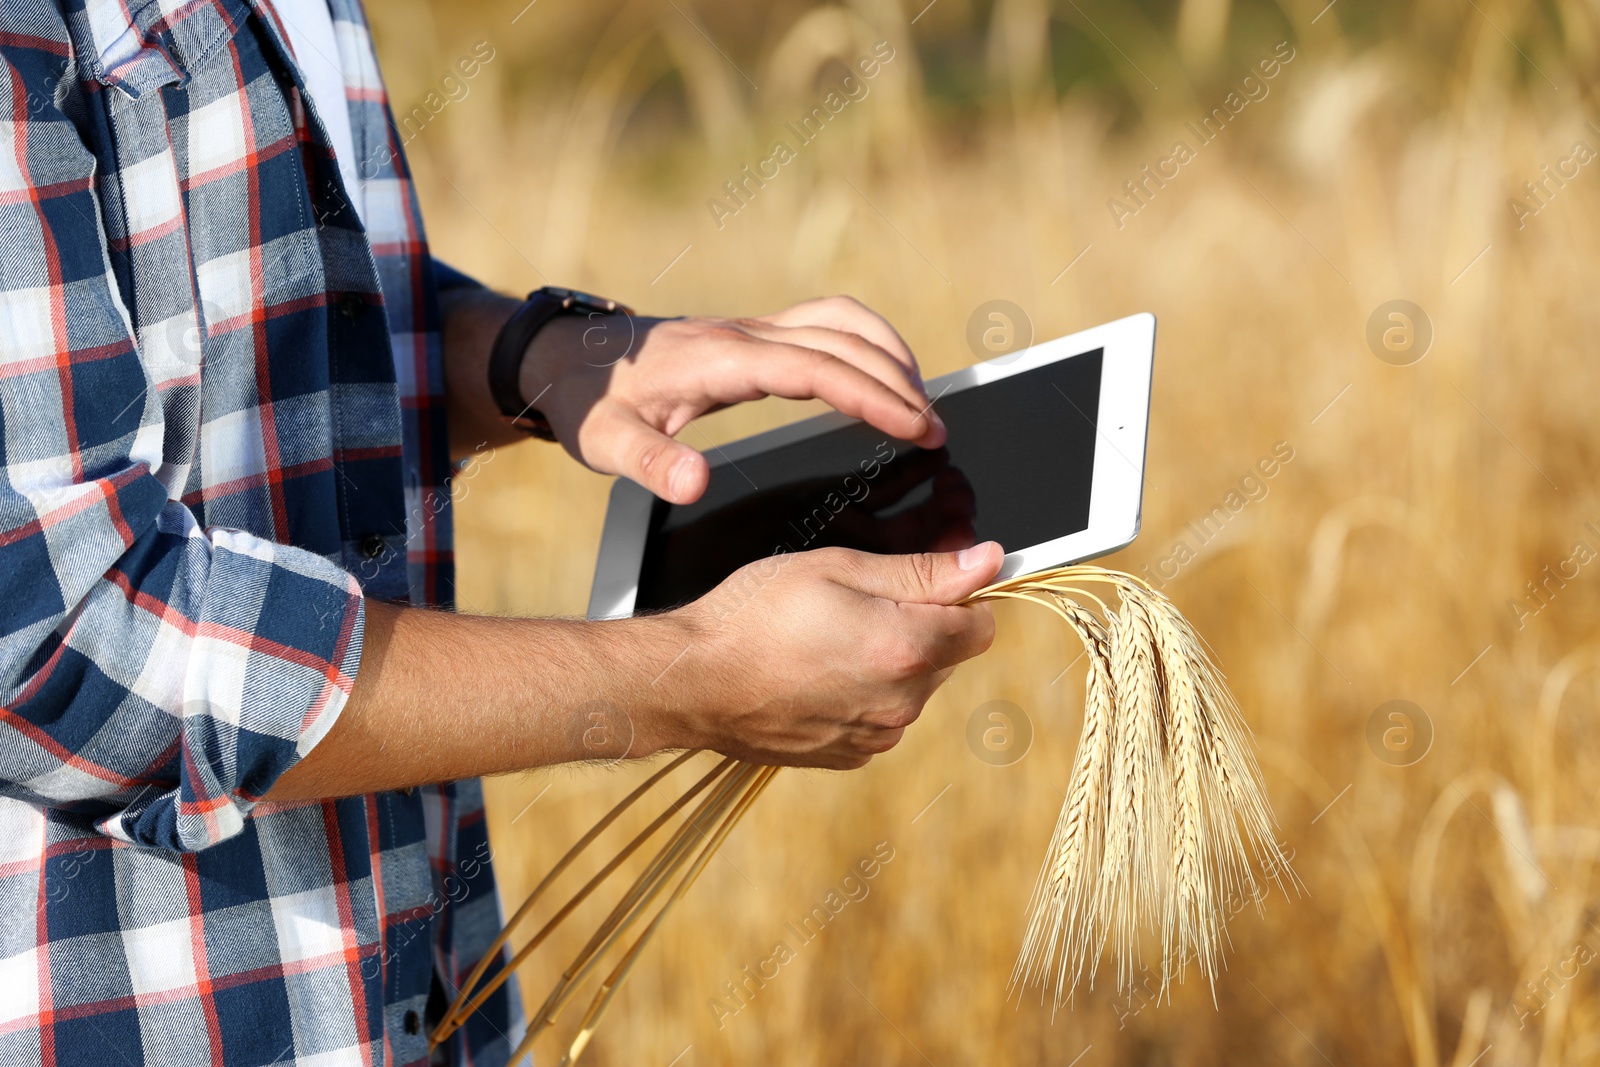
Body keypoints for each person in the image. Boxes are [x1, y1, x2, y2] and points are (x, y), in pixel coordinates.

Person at [0, 0, 1000, 1062]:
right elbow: (58, 632)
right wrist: (691, 673)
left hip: (419, 1002)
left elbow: (269, 299)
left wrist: (533, 355)